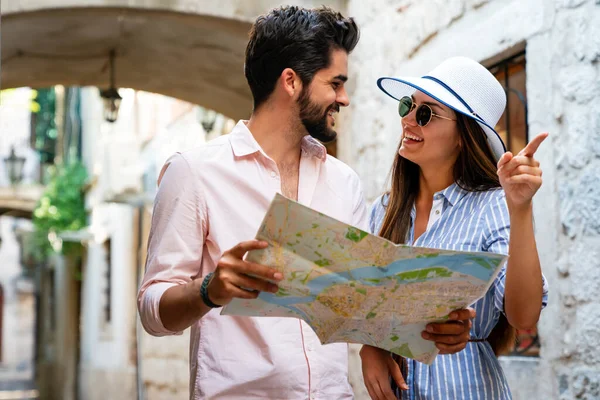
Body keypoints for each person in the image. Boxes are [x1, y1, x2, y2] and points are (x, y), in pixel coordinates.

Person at [138, 7, 476, 399]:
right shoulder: (194, 173)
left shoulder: (343, 181)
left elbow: (361, 301)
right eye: (335, 83)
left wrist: (432, 325)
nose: (344, 98)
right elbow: (152, 310)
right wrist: (209, 290)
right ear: (291, 82)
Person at [359, 56, 549, 400]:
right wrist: (370, 348)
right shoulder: (382, 211)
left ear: (463, 136)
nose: (407, 119)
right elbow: (370, 305)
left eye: (426, 113)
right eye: (407, 105)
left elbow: (523, 316)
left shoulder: (494, 204)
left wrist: (520, 209)